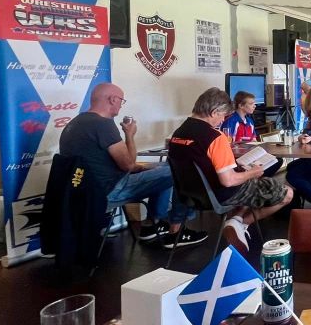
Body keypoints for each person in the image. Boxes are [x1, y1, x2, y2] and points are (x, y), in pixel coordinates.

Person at [60, 82, 208, 249]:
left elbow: (102, 162)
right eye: (121, 101)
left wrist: (143, 168)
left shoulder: (76, 123)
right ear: (112, 99)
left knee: (165, 169)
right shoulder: (102, 124)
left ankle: (153, 225)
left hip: (83, 192)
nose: (121, 105)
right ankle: (176, 232)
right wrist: (129, 135)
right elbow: (129, 165)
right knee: (182, 172)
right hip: (108, 192)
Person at [169, 88, 292, 255]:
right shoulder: (215, 137)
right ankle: (240, 223)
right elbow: (228, 180)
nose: (222, 120)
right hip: (222, 195)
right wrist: (252, 172)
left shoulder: (177, 134)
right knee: (287, 193)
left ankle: (236, 219)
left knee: (248, 180)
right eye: (222, 116)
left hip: (192, 195)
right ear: (214, 112)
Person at [222, 90, 283, 177]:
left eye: (254, 103)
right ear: (241, 105)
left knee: (277, 160)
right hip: (238, 158)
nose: (254, 106)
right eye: (251, 104)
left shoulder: (249, 121)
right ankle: (253, 180)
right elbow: (227, 144)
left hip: (250, 155)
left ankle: (258, 180)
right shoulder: (231, 121)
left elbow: (254, 140)